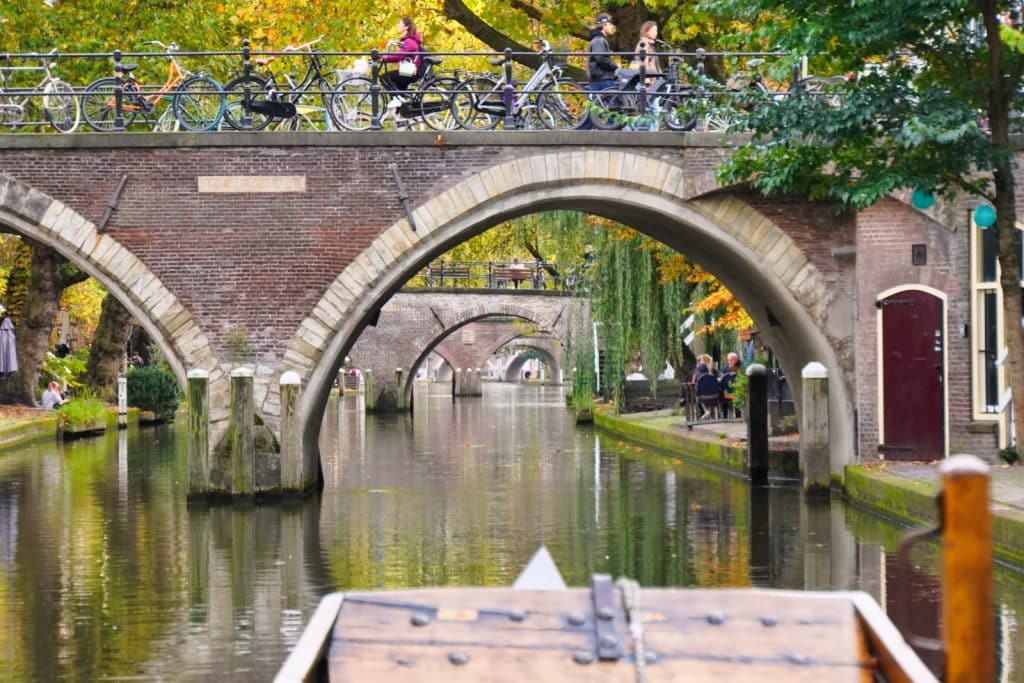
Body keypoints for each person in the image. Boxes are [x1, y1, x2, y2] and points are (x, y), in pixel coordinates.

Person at [380, 16, 424, 110]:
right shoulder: (408, 41)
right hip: (409, 72)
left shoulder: (409, 42)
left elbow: (398, 57)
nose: (397, 25)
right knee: (398, 90)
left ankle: (397, 98)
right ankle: (402, 116)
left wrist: (382, 58)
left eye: (399, 23)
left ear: (406, 27)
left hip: (411, 73)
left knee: (384, 77)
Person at [719, 352, 741, 417]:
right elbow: (721, 379)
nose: (730, 361)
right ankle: (724, 416)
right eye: (729, 360)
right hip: (726, 393)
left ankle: (738, 416)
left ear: (736, 360)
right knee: (722, 394)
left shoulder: (740, 368)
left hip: (736, 393)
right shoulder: (724, 369)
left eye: (732, 359)